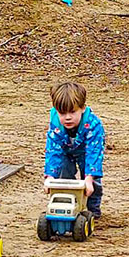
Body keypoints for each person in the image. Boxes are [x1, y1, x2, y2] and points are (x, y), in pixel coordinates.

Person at [44, 82, 105, 219]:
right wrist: (50, 176)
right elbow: (53, 150)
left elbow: (94, 152)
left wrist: (89, 178)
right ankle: (66, 205)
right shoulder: (55, 123)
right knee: (63, 177)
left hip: (86, 152)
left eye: (72, 112)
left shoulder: (93, 125)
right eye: (62, 113)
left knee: (93, 183)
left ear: (82, 108)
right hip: (65, 151)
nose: (67, 117)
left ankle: (93, 210)